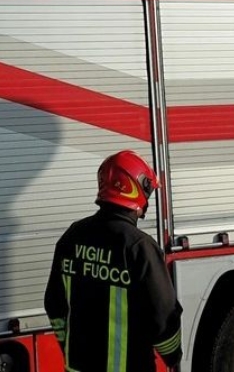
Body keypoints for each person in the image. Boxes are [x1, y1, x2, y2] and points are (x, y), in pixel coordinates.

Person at [44, 150, 183, 372]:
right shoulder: (139, 247)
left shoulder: (73, 236)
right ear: (133, 187)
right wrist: (173, 356)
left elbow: (54, 303)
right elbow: (163, 314)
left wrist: (67, 346)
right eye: (147, 189)